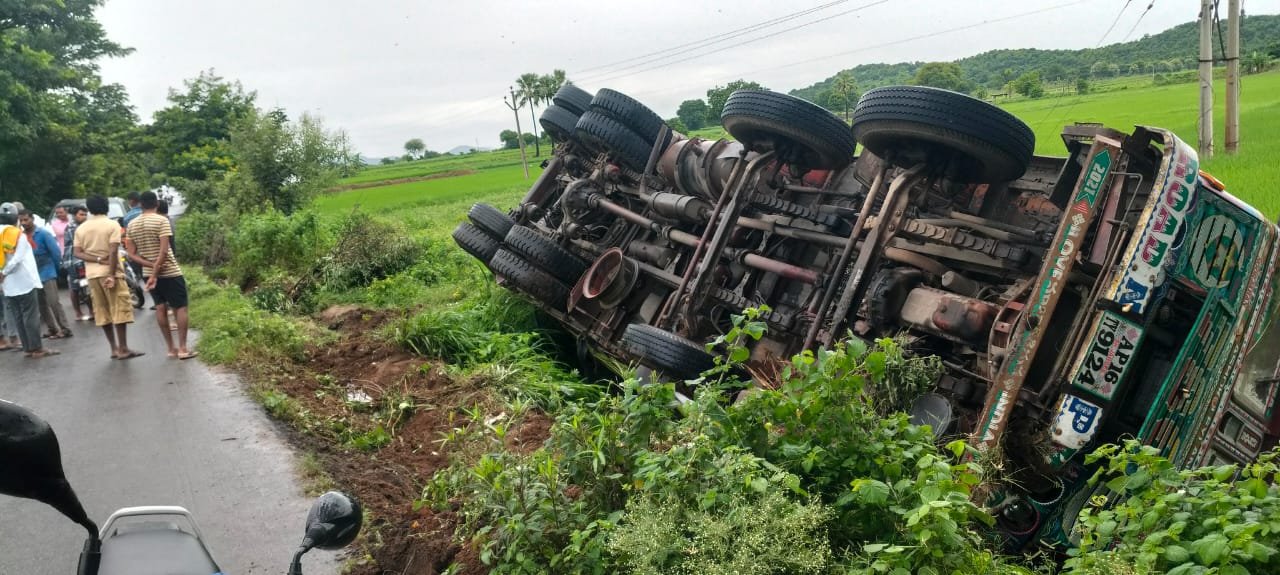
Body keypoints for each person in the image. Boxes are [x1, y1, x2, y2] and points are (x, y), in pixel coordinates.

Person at [127, 191, 195, 359]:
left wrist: (151, 268)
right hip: (170, 271)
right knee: (180, 307)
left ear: (140, 205)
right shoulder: (162, 220)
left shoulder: (132, 225)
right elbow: (164, 251)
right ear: (156, 204)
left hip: (148, 272)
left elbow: (132, 254)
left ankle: (171, 349)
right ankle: (183, 349)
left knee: (160, 307)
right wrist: (156, 270)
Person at [74, 195, 143, 360]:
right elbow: (113, 251)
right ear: (106, 207)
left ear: (89, 209)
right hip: (111, 273)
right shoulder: (112, 225)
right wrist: (111, 274)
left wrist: (96, 259)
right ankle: (123, 348)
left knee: (102, 311)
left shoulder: (81, 228)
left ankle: (113, 349)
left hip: (92, 275)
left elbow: (77, 252)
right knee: (119, 309)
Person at [0, 209, 59, 358]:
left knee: (19, 317)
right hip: (24, 281)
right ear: (16, 221)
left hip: (8, 285)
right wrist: (4, 273)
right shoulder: (17, 234)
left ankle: (28, 348)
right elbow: (18, 259)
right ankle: (37, 348)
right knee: (30, 316)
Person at [19, 210, 72, 339]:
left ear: (32, 219)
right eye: (21, 220)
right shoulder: (21, 236)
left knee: (53, 302)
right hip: (32, 274)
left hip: (47, 270)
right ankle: (52, 328)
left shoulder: (43, 234)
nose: (24, 223)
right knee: (41, 304)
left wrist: (56, 271)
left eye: (26, 220)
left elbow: (55, 253)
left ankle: (65, 329)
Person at [62, 206, 91, 321]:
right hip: (73, 260)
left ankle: (92, 311)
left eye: (85, 214)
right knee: (75, 287)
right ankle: (78, 313)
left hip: (85, 258)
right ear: (74, 216)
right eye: (81, 214)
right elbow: (80, 243)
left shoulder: (87, 225)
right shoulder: (72, 227)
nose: (84, 217)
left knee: (87, 284)